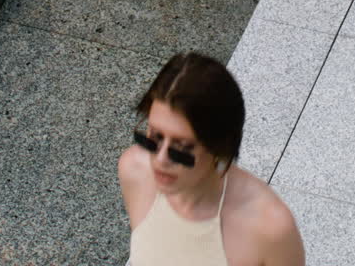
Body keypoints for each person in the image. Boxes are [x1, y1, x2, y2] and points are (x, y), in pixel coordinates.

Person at [119, 52, 306, 266]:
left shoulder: (269, 228)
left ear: (219, 148)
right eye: (154, 138)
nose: (160, 160)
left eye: (182, 148)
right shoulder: (134, 170)